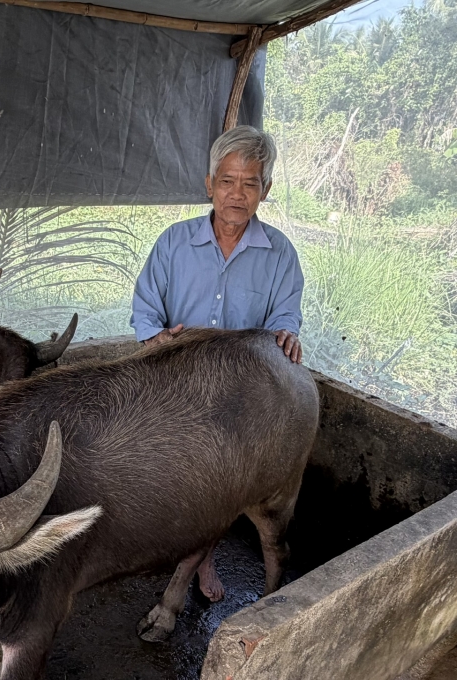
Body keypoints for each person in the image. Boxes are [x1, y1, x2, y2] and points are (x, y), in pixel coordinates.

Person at [130, 124, 305, 602]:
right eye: (227, 181)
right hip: (177, 386)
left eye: (250, 183)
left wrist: (287, 333)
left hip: (238, 397)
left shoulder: (280, 255)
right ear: (209, 185)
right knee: (178, 482)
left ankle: (200, 560)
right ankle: (198, 557)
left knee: (225, 485)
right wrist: (156, 338)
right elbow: (145, 309)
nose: (237, 193)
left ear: (265, 191)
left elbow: (285, 315)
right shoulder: (173, 243)